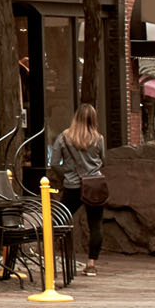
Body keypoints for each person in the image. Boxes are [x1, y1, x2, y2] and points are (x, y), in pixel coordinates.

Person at [49, 104, 106, 277]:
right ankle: (91, 264)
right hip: (94, 186)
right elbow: (103, 160)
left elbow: (54, 163)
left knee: (58, 221)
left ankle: (53, 258)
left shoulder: (64, 138)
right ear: (94, 119)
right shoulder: (98, 139)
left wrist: (65, 175)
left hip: (72, 186)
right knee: (95, 224)